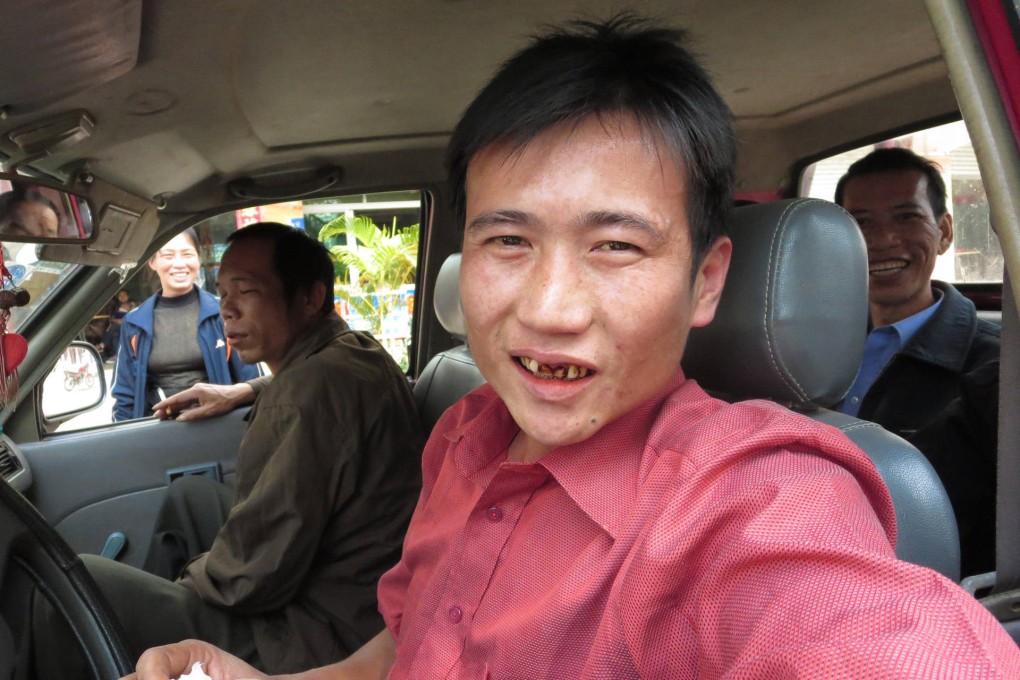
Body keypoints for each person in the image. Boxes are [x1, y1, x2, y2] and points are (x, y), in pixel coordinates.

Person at [128, 16, 1020, 680]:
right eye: (508, 241)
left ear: (706, 282)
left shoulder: (751, 497)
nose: (550, 310)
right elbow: (408, 649)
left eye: (616, 246)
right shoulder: (465, 435)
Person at [35, 222, 424, 677]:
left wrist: (184, 584)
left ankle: (164, 639)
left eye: (247, 291)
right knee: (191, 496)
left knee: (82, 582)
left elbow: (252, 576)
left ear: (311, 297)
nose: (227, 309)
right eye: (222, 293)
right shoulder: (354, 350)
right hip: (346, 588)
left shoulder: (304, 396)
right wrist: (246, 389)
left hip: (320, 632)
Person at [834, 147, 1001, 577]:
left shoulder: (997, 368)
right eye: (861, 223)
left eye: (906, 217)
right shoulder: (801, 347)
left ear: (944, 232)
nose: (883, 240)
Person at [112, 228, 259, 420]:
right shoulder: (134, 322)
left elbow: (250, 382)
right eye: (168, 256)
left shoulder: (224, 313)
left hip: (218, 425)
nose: (179, 264)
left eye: (187, 254)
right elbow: (125, 396)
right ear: (152, 262)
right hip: (156, 429)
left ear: (198, 258)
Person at [101, 290, 136, 360]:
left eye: (124, 295)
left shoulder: (133, 304)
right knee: (115, 333)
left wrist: (123, 321)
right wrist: (117, 320)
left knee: (114, 327)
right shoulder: (116, 306)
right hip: (119, 326)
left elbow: (135, 317)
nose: (122, 297)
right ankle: (116, 355)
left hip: (131, 326)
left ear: (128, 296)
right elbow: (111, 319)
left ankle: (103, 344)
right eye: (120, 295)